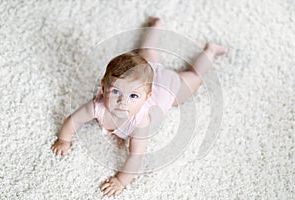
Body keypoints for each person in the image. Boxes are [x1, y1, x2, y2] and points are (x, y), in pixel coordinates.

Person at [51, 16, 227, 197]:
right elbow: (74, 120)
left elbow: (135, 156)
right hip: (143, 74)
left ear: (146, 97)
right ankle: (156, 25)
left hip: (166, 86)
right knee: (147, 51)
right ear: (103, 87)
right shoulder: (97, 106)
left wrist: (121, 180)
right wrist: (64, 139)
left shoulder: (140, 122)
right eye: (115, 92)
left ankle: (211, 51)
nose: (122, 102)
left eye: (133, 96)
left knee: (194, 77)